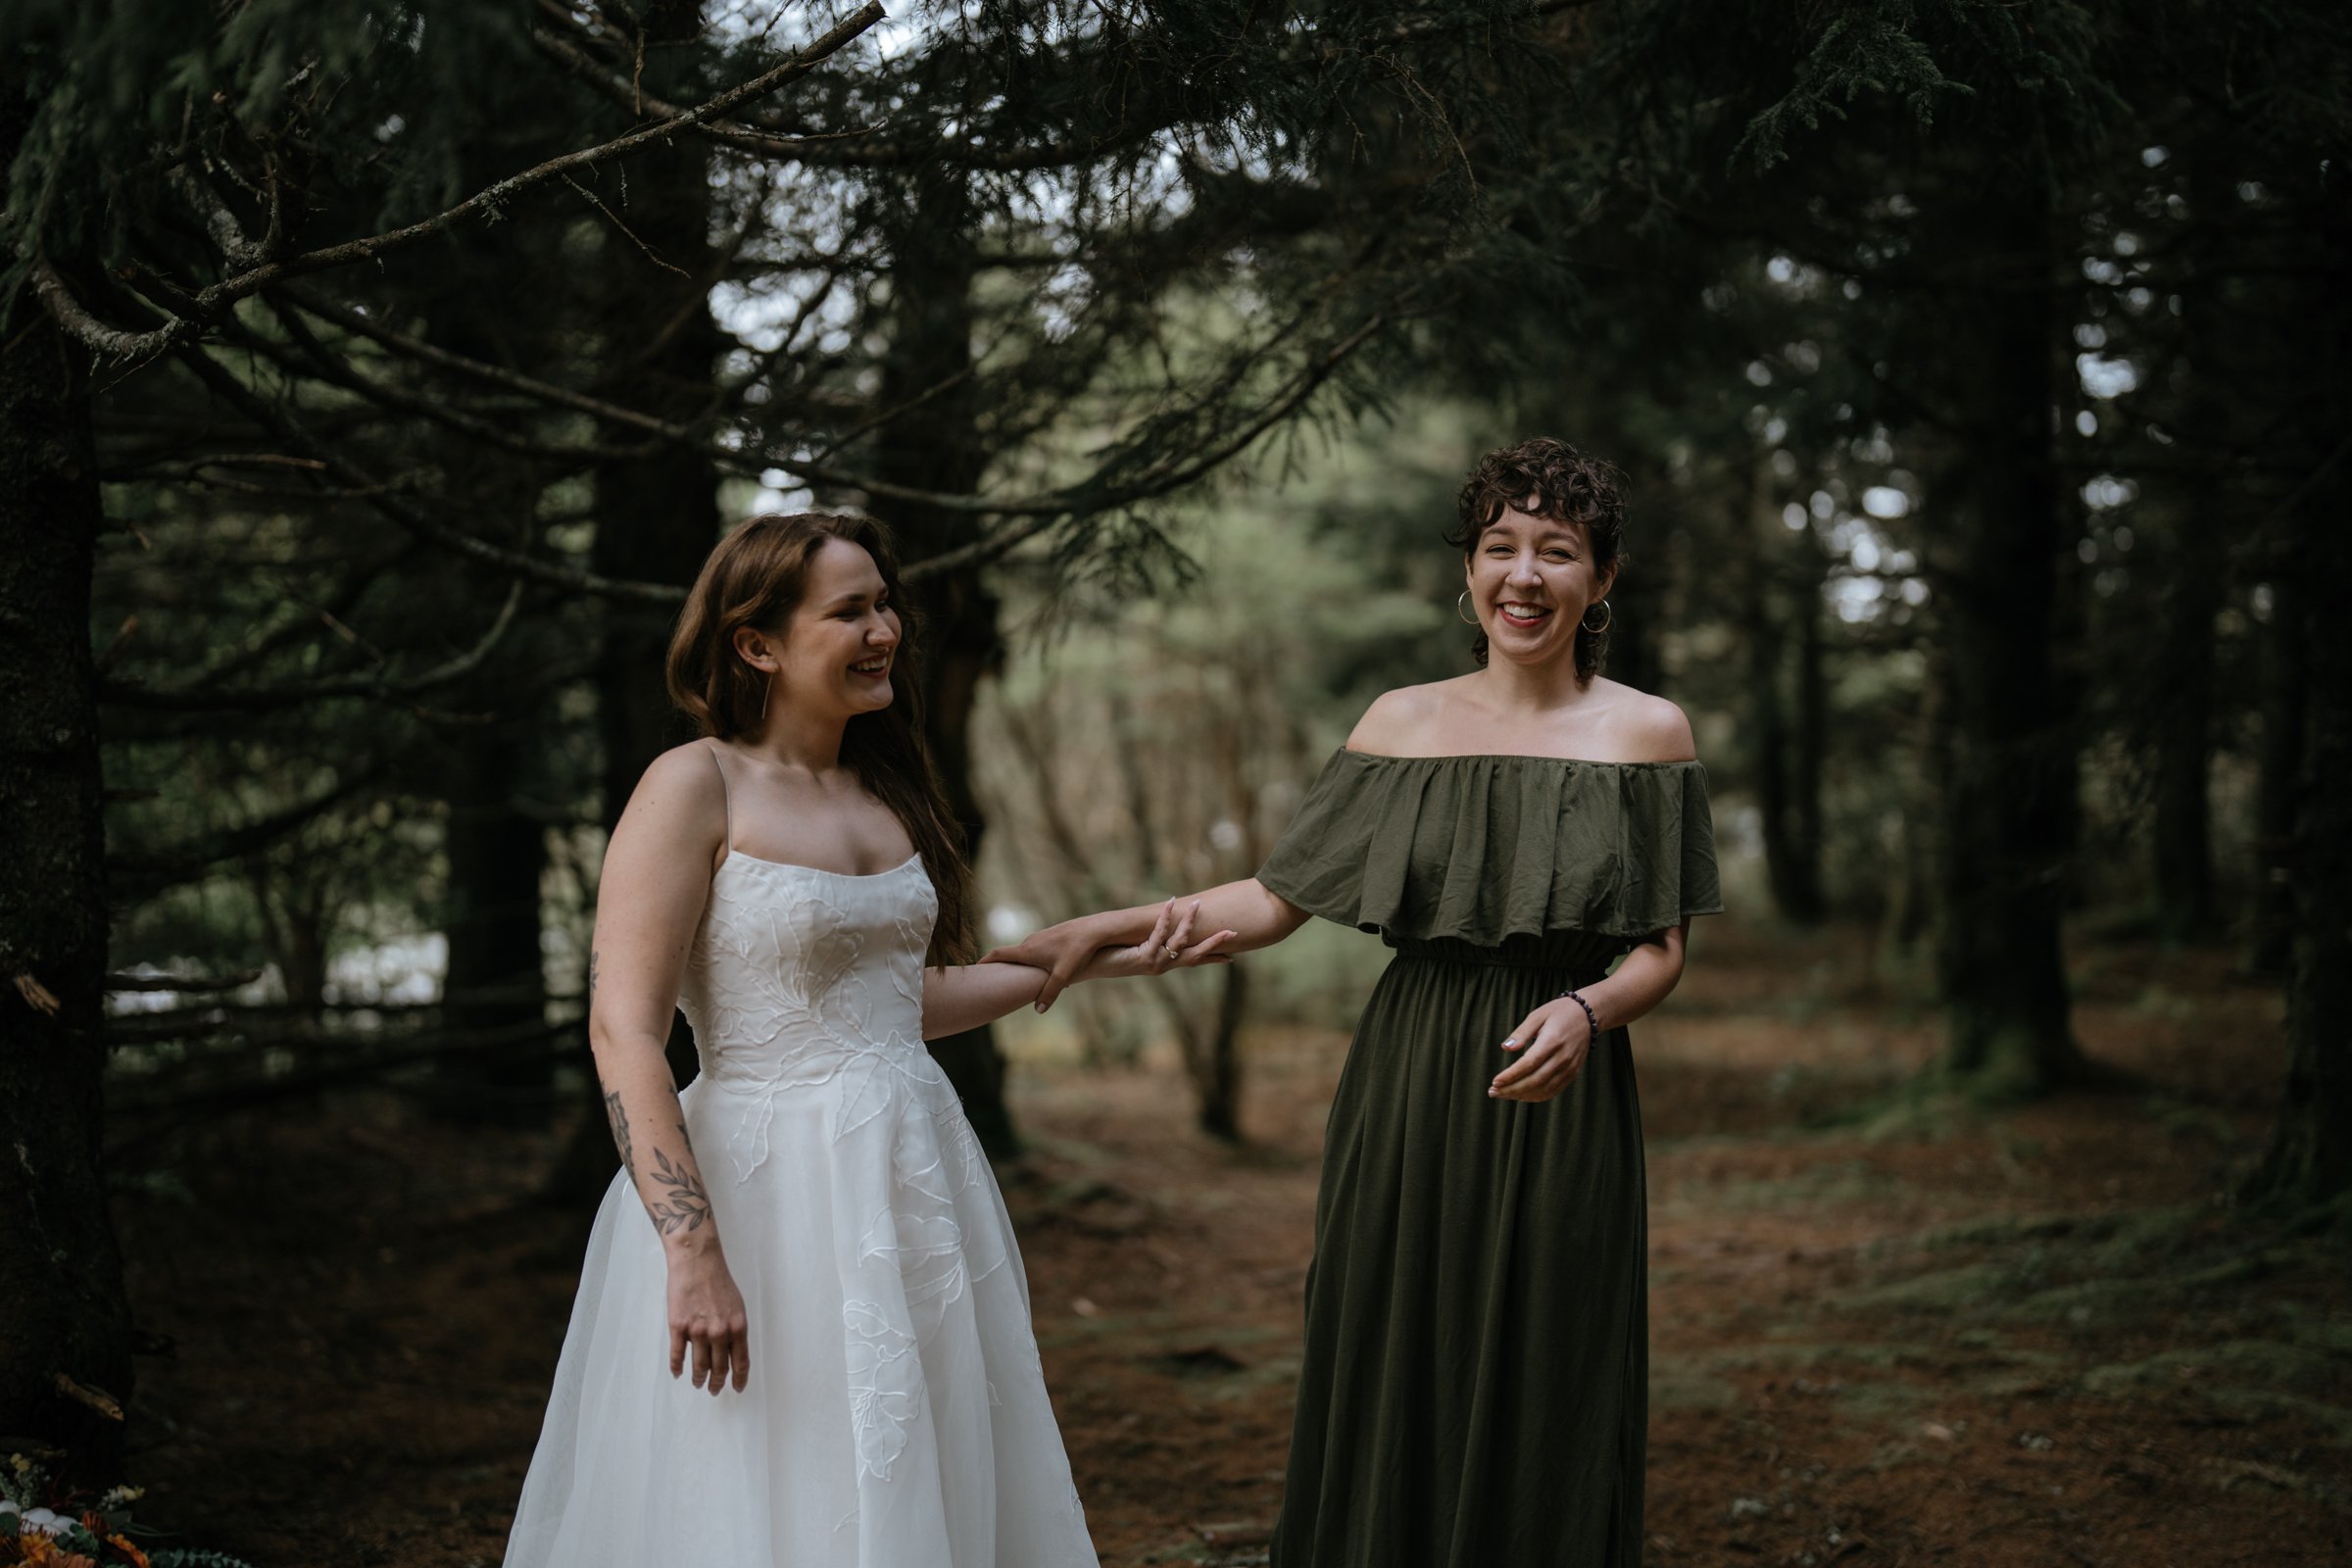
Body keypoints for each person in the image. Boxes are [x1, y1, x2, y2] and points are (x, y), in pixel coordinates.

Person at [987, 438, 1722, 1567]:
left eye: (1558, 552)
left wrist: (1587, 1012)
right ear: (1469, 573)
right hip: (1411, 1076)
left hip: (1563, 1086)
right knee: (1394, 1349)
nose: (1525, 575)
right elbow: (1276, 901)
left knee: (1551, 1362)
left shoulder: (1647, 732)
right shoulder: (1401, 724)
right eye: (1500, 547)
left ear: (1602, 580)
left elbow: (1659, 951)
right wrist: (1108, 931)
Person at [501, 513, 1232, 1568]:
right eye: (850, 611)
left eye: (886, 603)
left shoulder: (882, 787)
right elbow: (624, 1030)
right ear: (758, 643)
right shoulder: (691, 785)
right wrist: (691, 1248)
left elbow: (894, 1005)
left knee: (910, 1464)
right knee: (771, 1468)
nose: (884, 627)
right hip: (762, 1192)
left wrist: (1080, 951)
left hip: (911, 1175)